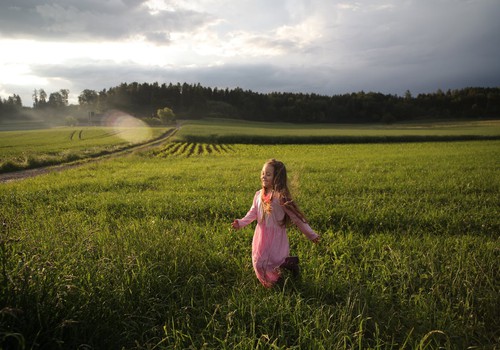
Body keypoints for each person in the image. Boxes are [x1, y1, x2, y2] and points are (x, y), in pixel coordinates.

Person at [231, 159, 320, 288]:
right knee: (259, 262)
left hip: (276, 238)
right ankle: (275, 282)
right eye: (262, 173)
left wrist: (311, 235)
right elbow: (252, 213)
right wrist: (240, 223)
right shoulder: (258, 195)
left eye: (268, 174)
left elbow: (297, 218)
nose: (263, 176)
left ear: (277, 177)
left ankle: (278, 281)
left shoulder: (280, 197)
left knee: (271, 262)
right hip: (261, 236)